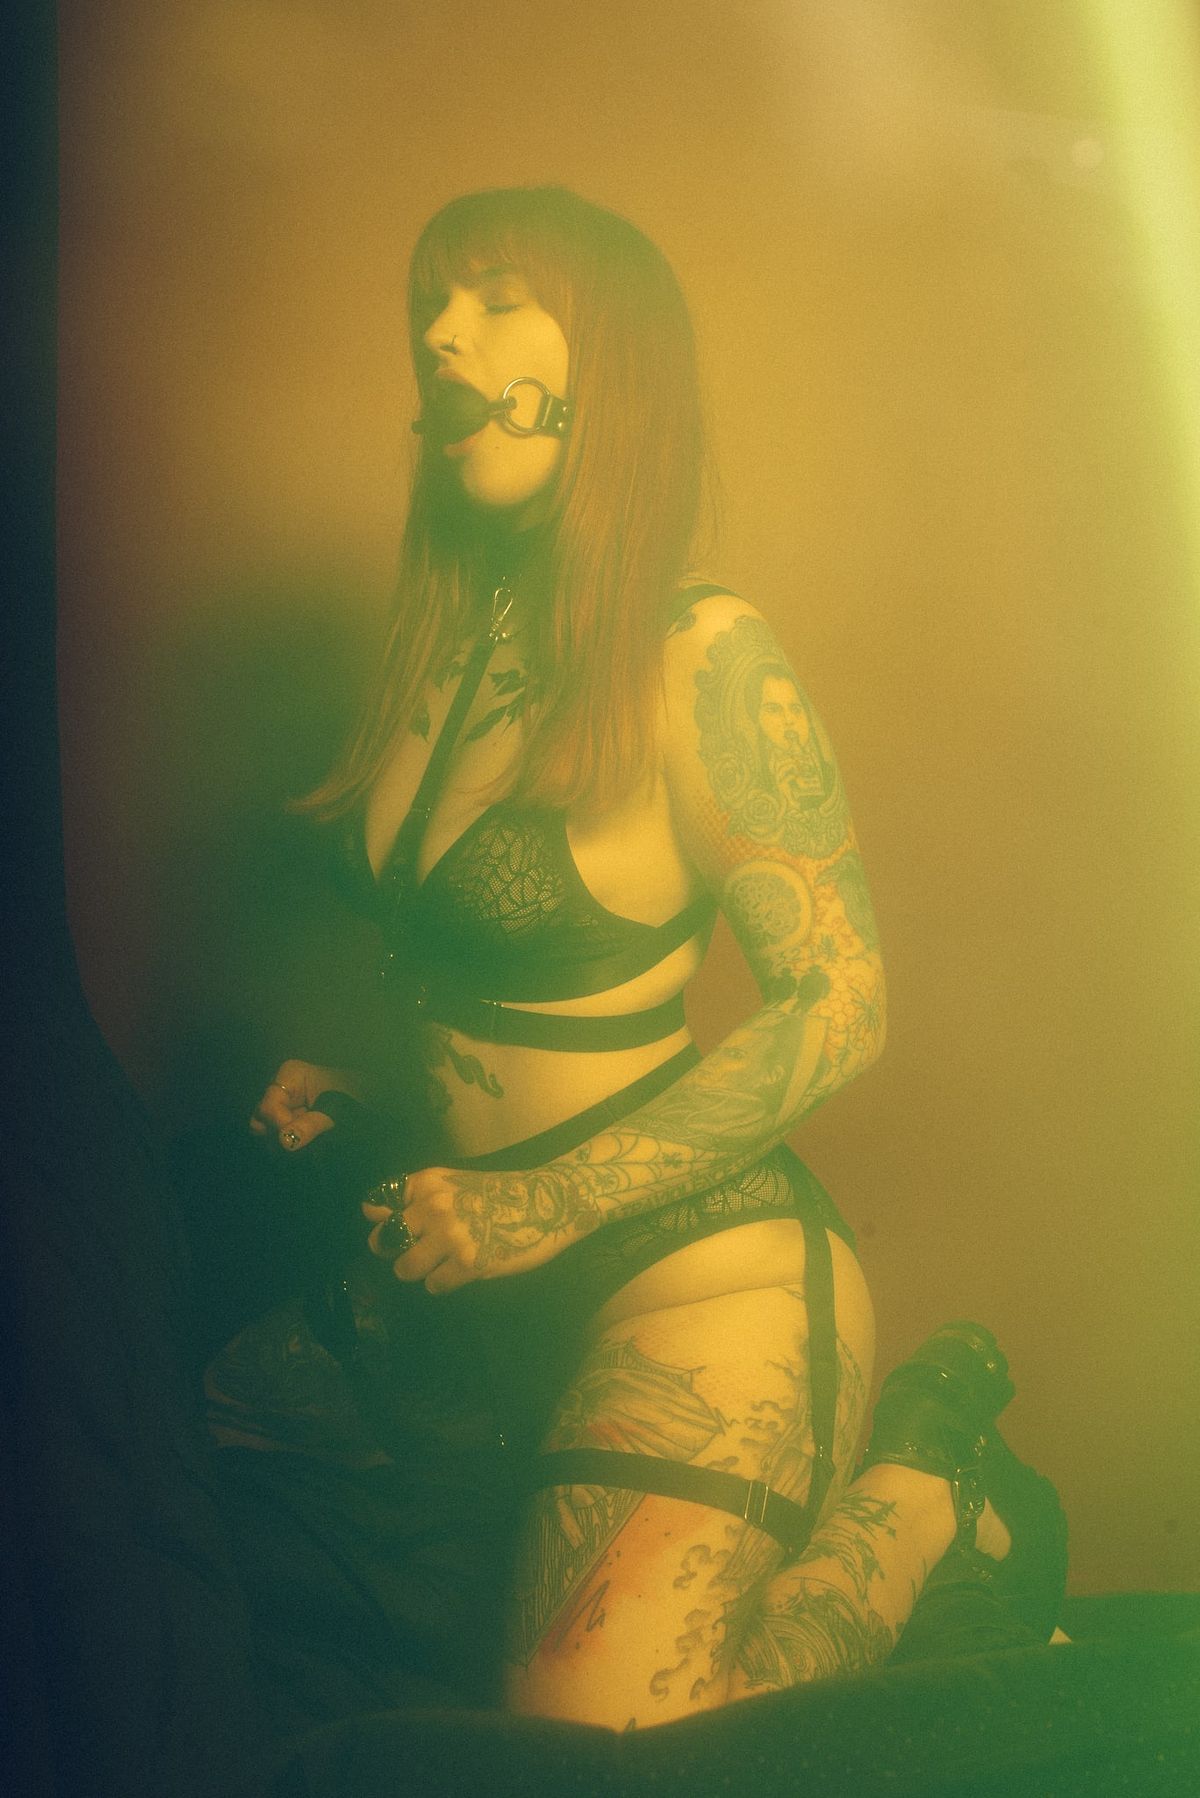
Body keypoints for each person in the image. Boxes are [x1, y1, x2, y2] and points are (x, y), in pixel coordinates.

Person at [217, 185, 1064, 1732]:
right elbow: (495, 972)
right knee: (171, 1503)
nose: (441, 333)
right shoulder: (445, 645)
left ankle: (930, 1488)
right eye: (430, 304)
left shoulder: (702, 651)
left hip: (696, 1273)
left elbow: (844, 1000)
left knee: (603, 1727)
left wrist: (543, 1198)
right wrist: (379, 1087)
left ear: (607, 364)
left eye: (494, 297)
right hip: (470, 1267)